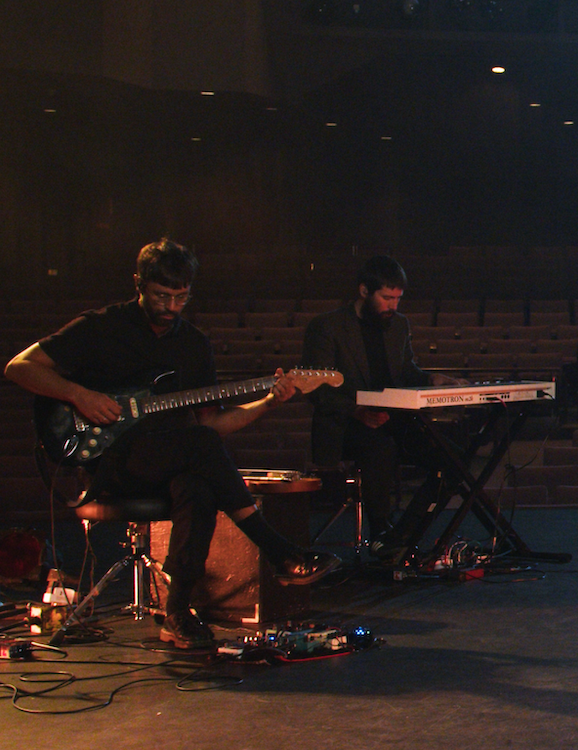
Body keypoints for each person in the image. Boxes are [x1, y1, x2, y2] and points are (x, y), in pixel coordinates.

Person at [5, 238, 339, 649]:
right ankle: (279, 551)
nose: (171, 307)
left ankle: (177, 613)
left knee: (196, 485)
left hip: (164, 460)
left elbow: (214, 425)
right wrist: (81, 396)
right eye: (162, 296)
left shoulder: (192, 344)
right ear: (139, 284)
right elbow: (19, 367)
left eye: (181, 297)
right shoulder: (100, 326)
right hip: (104, 462)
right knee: (197, 447)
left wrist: (270, 400)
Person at [301, 256, 463, 562]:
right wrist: (358, 412)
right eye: (387, 298)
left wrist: (432, 379)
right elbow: (317, 391)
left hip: (392, 420)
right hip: (345, 425)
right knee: (380, 446)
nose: (393, 306)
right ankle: (380, 531)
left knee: (454, 458)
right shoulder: (327, 327)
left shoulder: (398, 325)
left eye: (398, 299)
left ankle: (403, 533)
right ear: (364, 291)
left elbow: (405, 373)